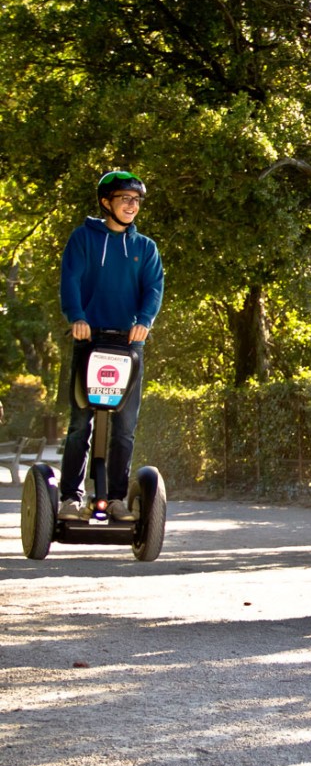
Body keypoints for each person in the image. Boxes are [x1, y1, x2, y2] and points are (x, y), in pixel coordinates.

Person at [57, 170, 165, 521]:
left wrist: (144, 322)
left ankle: (116, 498)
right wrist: (77, 316)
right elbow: (70, 279)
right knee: (80, 423)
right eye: (124, 199)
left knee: (125, 427)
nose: (132, 205)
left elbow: (153, 288)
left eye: (136, 200)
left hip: (129, 344)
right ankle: (71, 497)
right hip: (89, 339)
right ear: (106, 202)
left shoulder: (144, 247)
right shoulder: (83, 239)